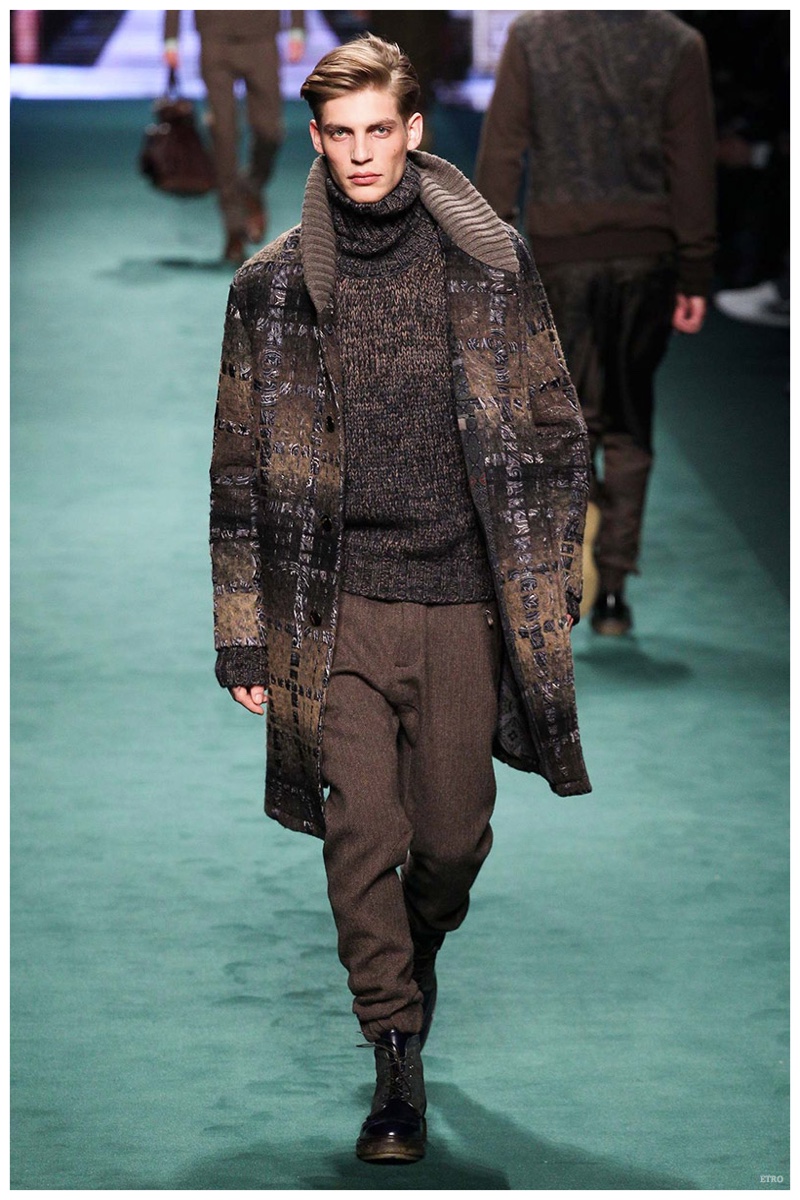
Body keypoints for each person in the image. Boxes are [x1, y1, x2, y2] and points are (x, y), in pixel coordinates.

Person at [209, 33, 591, 1165]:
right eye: (342, 134)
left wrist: (549, 574)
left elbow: (556, 424)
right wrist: (243, 635)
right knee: (360, 829)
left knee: (452, 842)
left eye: (381, 129)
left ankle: (413, 957)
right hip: (335, 607)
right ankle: (393, 1052)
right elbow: (237, 471)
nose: (364, 152)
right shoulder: (271, 286)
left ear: (414, 130)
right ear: (318, 142)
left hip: (466, 599)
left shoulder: (489, 261)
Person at [475, 11, 717, 635]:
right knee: (630, 417)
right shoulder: (677, 42)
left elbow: (503, 148)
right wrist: (695, 269)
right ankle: (612, 591)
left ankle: (564, 582)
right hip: (647, 258)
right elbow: (692, 163)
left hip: (562, 257)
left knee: (565, 418)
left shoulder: (535, 36)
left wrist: (489, 261)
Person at [164, 10, 306, 266]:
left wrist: (297, 27)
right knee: (223, 137)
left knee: (269, 131)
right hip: (215, 35)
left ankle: (252, 185)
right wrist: (170, 37)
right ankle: (233, 228)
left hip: (261, 35)